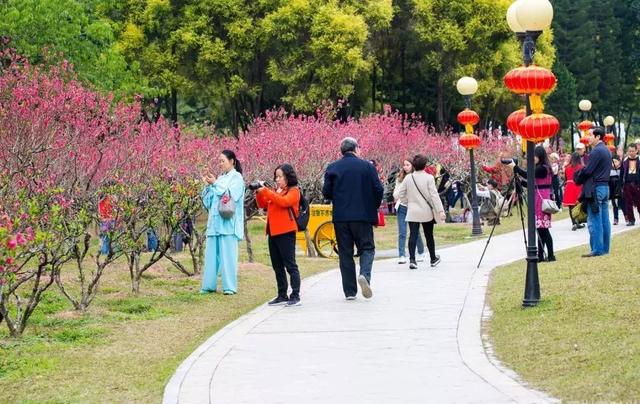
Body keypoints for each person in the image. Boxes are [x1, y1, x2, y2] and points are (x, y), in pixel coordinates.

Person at [322, 137, 384, 300]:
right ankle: (364, 275)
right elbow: (378, 189)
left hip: (341, 217)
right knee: (367, 248)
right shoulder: (367, 167)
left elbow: (326, 193)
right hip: (363, 215)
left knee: (345, 253)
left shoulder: (332, 167)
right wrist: (373, 206)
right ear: (356, 149)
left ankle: (350, 292)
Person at [256, 164, 302, 307]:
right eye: (276, 176)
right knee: (277, 266)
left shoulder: (294, 191)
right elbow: (262, 204)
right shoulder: (276, 191)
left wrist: (267, 191)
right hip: (273, 232)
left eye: (280, 176)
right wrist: (259, 192)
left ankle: (295, 295)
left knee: (290, 265)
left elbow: (284, 202)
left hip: (286, 232)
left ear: (288, 176)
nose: (277, 179)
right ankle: (282, 294)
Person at [200, 150, 245, 294]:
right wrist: (207, 185)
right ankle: (208, 286)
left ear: (232, 161)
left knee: (228, 257)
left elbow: (230, 195)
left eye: (223, 161)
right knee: (211, 257)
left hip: (228, 224)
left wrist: (215, 184)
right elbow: (208, 202)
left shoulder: (237, 178)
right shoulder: (219, 178)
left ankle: (229, 287)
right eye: (219, 161)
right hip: (214, 224)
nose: (220, 164)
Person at [394, 154, 446, 269]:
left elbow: (398, 194)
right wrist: (440, 211)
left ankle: (412, 260)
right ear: (424, 165)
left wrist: (407, 201)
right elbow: (434, 196)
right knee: (429, 235)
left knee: (413, 234)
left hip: (412, 211)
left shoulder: (408, 178)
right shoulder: (429, 178)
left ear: (414, 165)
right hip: (426, 211)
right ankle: (433, 258)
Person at [510, 146, 556, 262]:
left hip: (542, 199)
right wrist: (519, 182)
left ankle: (550, 255)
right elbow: (531, 183)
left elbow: (528, 174)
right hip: (538, 197)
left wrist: (515, 168)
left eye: (534, 156)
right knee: (540, 229)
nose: (532, 159)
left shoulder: (543, 169)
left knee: (544, 229)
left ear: (539, 156)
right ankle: (540, 256)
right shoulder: (540, 168)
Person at [575, 127, 613, 257]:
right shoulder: (607, 150)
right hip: (605, 187)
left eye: (590, 135)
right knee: (604, 220)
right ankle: (605, 248)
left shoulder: (596, 151)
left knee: (594, 220)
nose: (588, 137)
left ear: (598, 137)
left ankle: (597, 249)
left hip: (596, 188)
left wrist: (579, 174)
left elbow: (588, 170)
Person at [393, 159, 425, 264]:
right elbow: (395, 194)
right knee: (402, 232)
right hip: (402, 207)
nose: (405, 167)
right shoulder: (400, 178)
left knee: (415, 232)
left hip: (413, 207)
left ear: (412, 166)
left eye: (408, 165)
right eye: (404, 165)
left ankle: (421, 251)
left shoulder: (416, 177)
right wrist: (403, 185)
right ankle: (401, 255)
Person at [562, 152, 585, 231]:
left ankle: (574, 223)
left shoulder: (567, 168)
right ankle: (578, 221)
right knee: (578, 205)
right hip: (578, 186)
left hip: (569, 186)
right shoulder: (581, 167)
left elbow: (565, 179)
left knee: (570, 206)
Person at [621, 144, 640, 226]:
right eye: (629, 151)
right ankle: (631, 220)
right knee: (628, 203)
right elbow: (622, 173)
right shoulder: (625, 161)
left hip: (637, 184)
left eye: (632, 151)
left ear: (636, 150)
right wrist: (621, 185)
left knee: (639, 202)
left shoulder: (639, 159)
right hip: (627, 184)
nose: (631, 153)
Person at [609, 156, 623, 225]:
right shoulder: (609, 170)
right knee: (615, 205)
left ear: (619, 162)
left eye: (615, 161)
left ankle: (626, 215)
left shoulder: (622, 169)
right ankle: (616, 219)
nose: (613, 163)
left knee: (623, 204)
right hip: (613, 191)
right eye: (612, 162)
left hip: (621, 190)